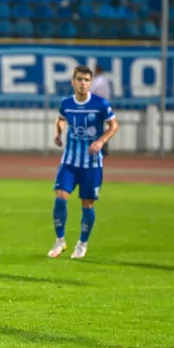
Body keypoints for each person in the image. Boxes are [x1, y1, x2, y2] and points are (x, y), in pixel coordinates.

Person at [48, 66, 119, 260]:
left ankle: (82, 244)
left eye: (87, 80)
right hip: (69, 162)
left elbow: (114, 125)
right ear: (73, 82)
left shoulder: (99, 104)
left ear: (91, 82)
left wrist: (101, 141)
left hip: (92, 164)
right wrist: (58, 132)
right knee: (60, 198)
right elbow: (61, 119)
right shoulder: (67, 103)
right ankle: (60, 241)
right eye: (79, 79)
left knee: (87, 205)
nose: (83, 83)